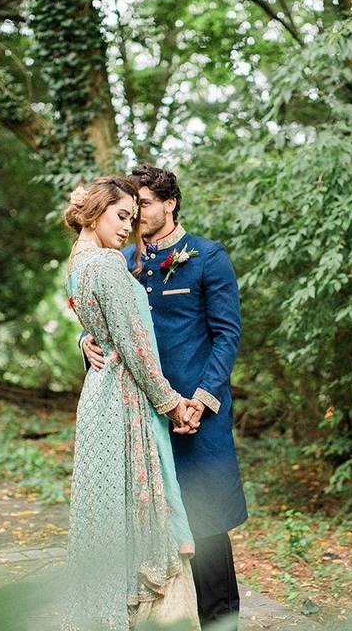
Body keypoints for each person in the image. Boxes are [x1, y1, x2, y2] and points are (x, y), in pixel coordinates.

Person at [80, 165, 248, 629]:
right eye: (130, 207)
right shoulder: (121, 258)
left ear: (170, 203)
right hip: (140, 418)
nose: (135, 214)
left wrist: (199, 399)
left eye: (145, 204)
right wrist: (85, 341)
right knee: (149, 530)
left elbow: (226, 336)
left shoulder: (208, 257)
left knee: (207, 527)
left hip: (197, 415)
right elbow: (104, 320)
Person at [62, 175, 202, 631]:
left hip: (98, 398)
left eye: (134, 219)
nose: (129, 229)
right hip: (123, 397)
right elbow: (136, 348)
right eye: (122, 216)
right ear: (95, 211)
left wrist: (89, 339)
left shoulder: (77, 266)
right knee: (137, 513)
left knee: (107, 515)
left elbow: (104, 330)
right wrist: (172, 403)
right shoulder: (105, 265)